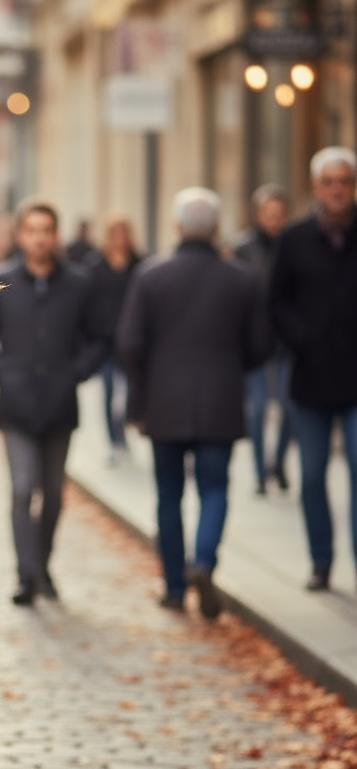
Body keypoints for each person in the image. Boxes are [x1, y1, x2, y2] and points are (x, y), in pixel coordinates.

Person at [118, 188, 265, 617]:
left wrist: (139, 400)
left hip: (164, 404)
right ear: (217, 228)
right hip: (220, 401)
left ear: (177, 226)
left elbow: (129, 344)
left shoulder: (150, 276)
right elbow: (260, 347)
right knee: (215, 488)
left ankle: (175, 586)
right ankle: (203, 561)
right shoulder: (241, 278)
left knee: (168, 494)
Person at [0, 199, 107, 605]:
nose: (39, 238)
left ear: (56, 234)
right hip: (16, 404)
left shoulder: (79, 283)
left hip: (60, 405)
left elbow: (99, 337)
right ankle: (26, 575)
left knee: (51, 493)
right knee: (21, 488)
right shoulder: (0, 280)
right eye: (32, 230)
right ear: (20, 235)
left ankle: (43, 565)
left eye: (46, 230)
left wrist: (77, 372)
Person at [269, 147, 357, 593]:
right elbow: (276, 302)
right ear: (316, 187)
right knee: (313, 475)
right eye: (330, 182)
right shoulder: (295, 238)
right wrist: (300, 338)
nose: (338, 189)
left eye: (345, 181)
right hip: (311, 376)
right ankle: (321, 560)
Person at [234, 183, 291, 495]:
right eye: (268, 213)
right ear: (258, 214)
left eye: (279, 214)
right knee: (256, 410)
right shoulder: (244, 248)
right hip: (255, 341)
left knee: (289, 408)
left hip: (286, 341)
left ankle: (279, 462)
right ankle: (259, 471)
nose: (274, 219)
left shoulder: (293, 245)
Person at [91, 214, 140, 462]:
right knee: (109, 390)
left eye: (124, 233)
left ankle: (123, 433)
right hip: (106, 340)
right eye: (115, 234)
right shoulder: (96, 265)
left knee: (129, 390)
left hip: (131, 339)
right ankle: (114, 440)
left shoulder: (139, 264)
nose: (119, 239)